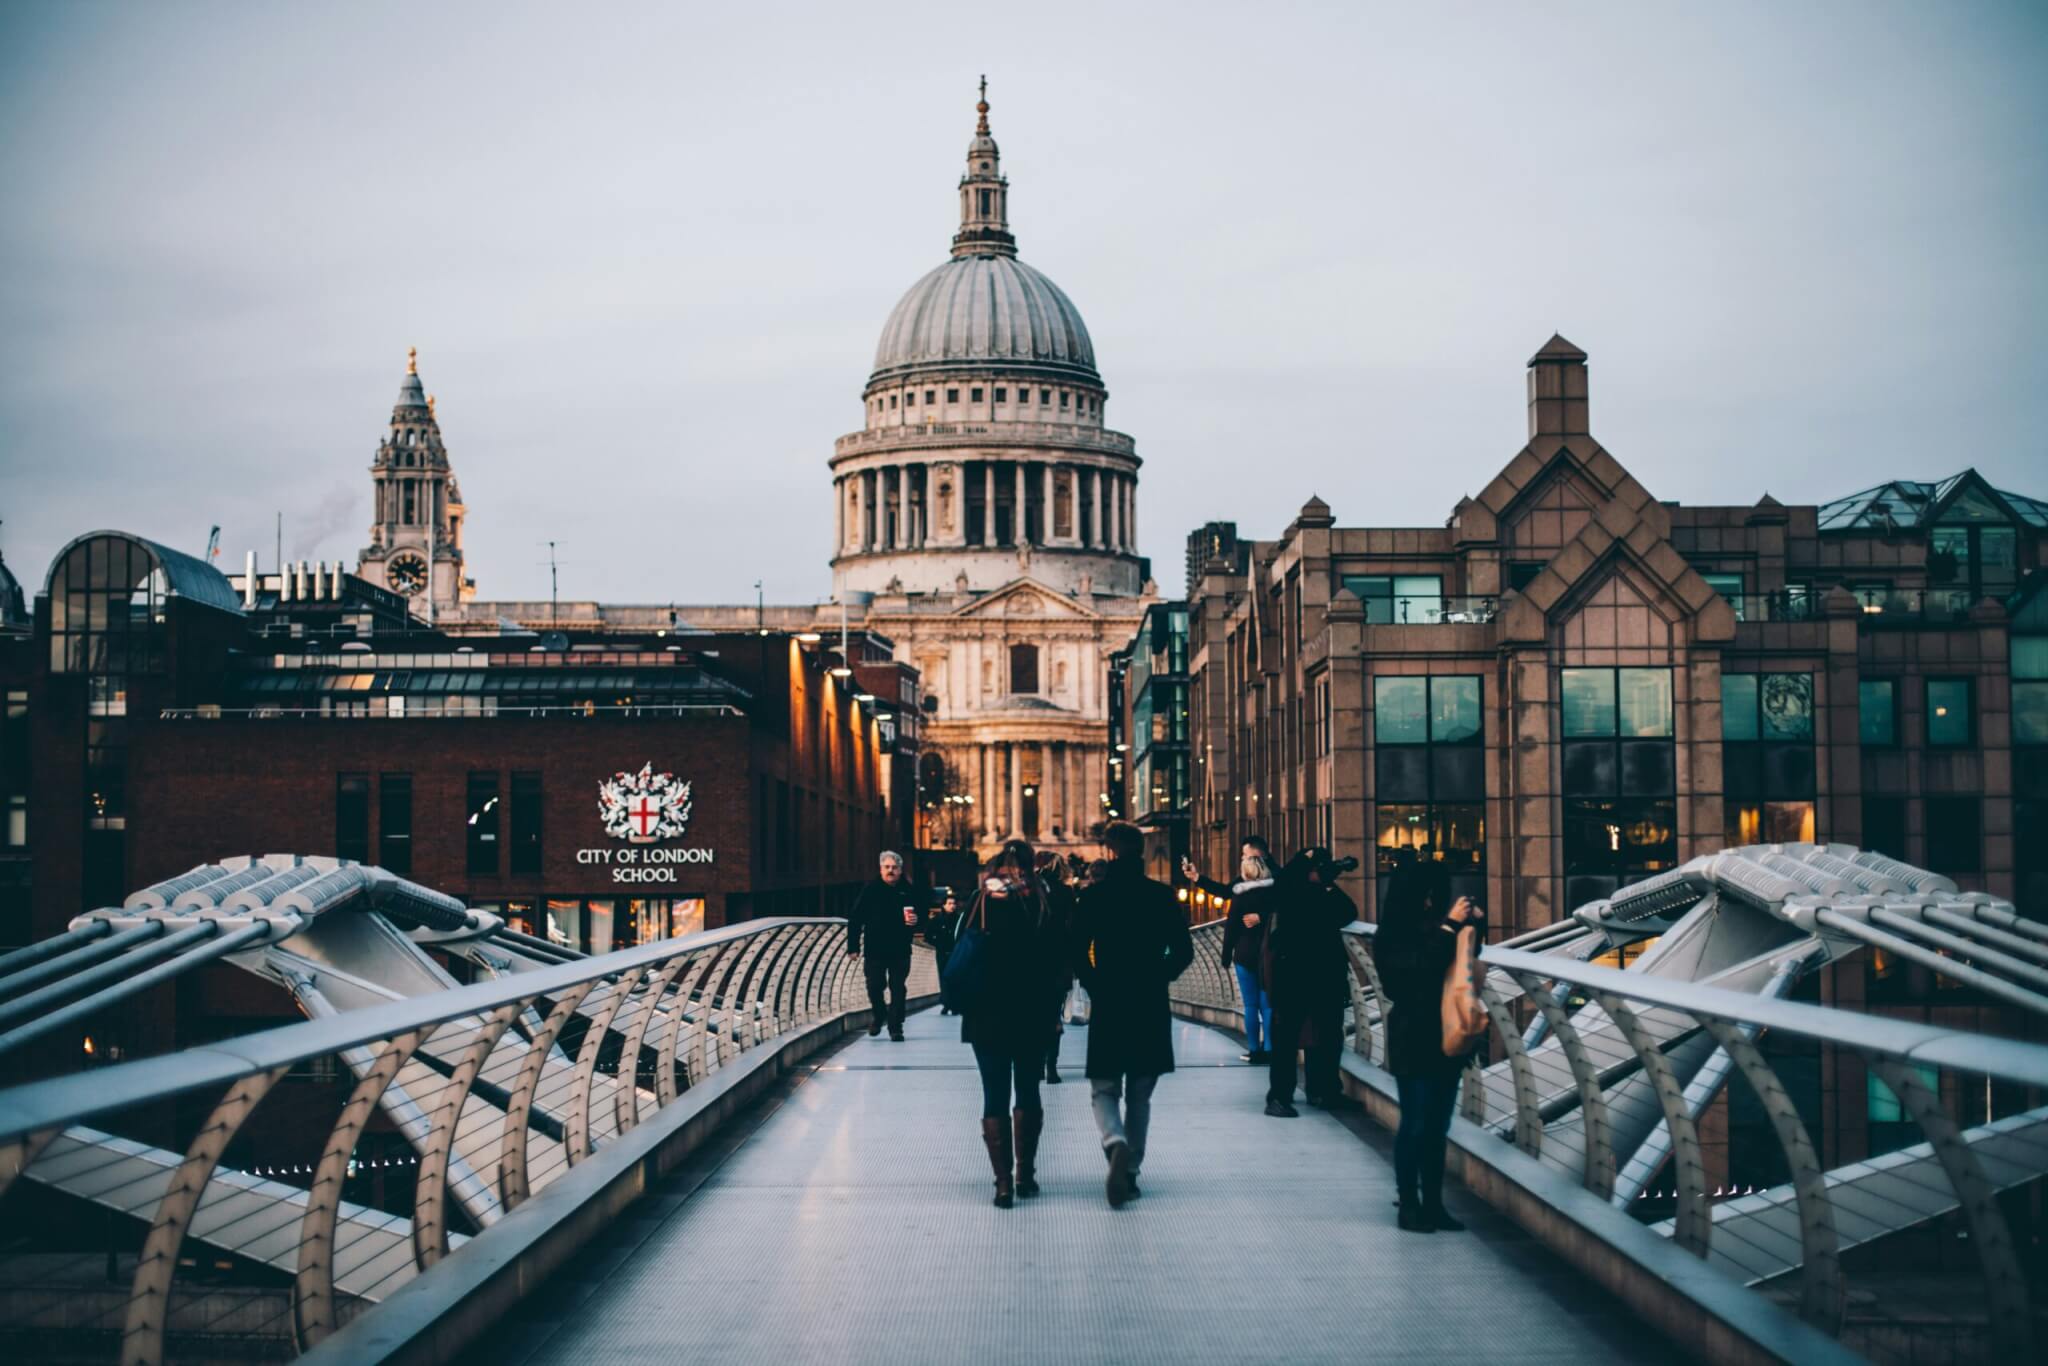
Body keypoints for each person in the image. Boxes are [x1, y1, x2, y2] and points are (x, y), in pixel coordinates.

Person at [1073, 820, 1194, 1207]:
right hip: (1149, 1001)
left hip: (1110, 1001)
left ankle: (1115, 1141)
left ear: (1109, 853)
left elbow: (1075, 949)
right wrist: (1159, 975)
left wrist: (1095, 983)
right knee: (1141, 1094)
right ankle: (1131, 1171)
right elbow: (1183, 951)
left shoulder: (1094, 897)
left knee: (1104, 1087)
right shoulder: (1160, 896)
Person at [1374, 850, 1483, 1232]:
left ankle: (1434, 1204)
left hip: (1446, 1036)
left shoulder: (1439, 926)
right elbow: (1414, 973)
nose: (1432, 900)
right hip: (1412, 1034)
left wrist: (1473, 930)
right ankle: (1409, 1203)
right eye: (1427, 893)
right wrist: (1450, 929)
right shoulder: (1391, 933)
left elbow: (1460, 971)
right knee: (1416, 1122)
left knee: (1438, 1126)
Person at [959, 839, 1065, 1208]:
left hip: (986, 1013)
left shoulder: (981, 901)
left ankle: (1002, 1184)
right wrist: (1053, 1012)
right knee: (1028, 1091)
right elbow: (1058, 963)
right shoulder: (1042, 901)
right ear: (1031, 865)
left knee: (994, 1094)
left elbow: (962, 951)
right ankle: (1026, 1175)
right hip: (1032, 1012)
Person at [1263, 847, 1359, 1117]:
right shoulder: (1288, 890)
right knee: (1286, 1039)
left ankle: (1325, 1091)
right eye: (1318, 869)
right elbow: (1285, 889)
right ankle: (1279, 1097)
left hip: (1325, 975)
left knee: (1328, 1035)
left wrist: (1328, 884)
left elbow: (1348, 912)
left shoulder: (1322, 892)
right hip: (1292, 976)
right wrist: (1312, 872)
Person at [845, 850, 924, 1041]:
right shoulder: (870, 889)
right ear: (880, 869)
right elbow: (855, 918)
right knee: (874, 986)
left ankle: (895, 1027)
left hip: (900, 948)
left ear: (900, 870)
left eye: (894, 868)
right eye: (887, 867)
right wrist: (853, 947)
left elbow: (921, 915)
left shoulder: (909, 890)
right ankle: (879, 1014)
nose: (891, 871)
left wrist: (917, 921)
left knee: (898, 988)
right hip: (875, 949)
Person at [1217, 850, 1278, 1063]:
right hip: (1268, 954)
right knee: (1267, 1004)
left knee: (1250, 1006)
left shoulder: (1240, 896)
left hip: (1244, 954)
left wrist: (1226, 956)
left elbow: (1231, 928)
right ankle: (1270, 1048)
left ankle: (1253, 1050)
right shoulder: (1274, 895)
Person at [1035, 851, 1078, 1084]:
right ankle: (1051, 1066)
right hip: (1058, 963)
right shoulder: (1066, 892)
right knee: (1053, 1015)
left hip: (1031, 965)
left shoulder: (1028, 891)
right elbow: (1074, 929)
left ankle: (1037, 1063)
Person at [927, 890, 962, 1015]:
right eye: (949, 903)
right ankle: (947, 1004)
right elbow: (928, 936)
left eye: (954, 903)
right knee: (943, 978)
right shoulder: (936, 920)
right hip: (942, 952)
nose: (952, 906)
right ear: (944, 905)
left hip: (956, 953)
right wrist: (938, 944)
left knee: (955, 978)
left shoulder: (960, 920)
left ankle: (953, 1004)